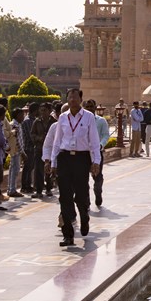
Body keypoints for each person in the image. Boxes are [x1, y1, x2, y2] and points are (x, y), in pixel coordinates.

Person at [48, 89, 102, 246]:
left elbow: (93, 141)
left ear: (80, 99)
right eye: (69, 97)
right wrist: (53, 162)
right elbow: (57, 141)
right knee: (64, 196)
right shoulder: (63, 118)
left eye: (75, 97)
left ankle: (84, 217)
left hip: (81, 158)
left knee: (81, 194)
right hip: (65, 158)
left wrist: (96, 161)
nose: (72, 99)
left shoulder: (88, 117)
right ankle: (68, 235)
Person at [84, 101, 110, 206]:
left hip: (96, 153)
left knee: (97, 176)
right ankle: (86, 201)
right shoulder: (81, 120)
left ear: (95, 108)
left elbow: (105, 135)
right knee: (83, 178)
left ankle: (98, 193)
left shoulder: (101, 121)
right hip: (84, 153)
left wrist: (100, 145)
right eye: (87, 107)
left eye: (91, 107)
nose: (90, 109)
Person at [4, 106, 25, 200]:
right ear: (17, 115)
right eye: (21, 115)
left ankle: (11, 188)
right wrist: (22, 152)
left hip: (18, 151)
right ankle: (12, 189)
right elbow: (15, 140)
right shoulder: (14, 125)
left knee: (15, 170)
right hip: (15, 150)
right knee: (14, 170)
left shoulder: (19, 124)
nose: (23, 117)